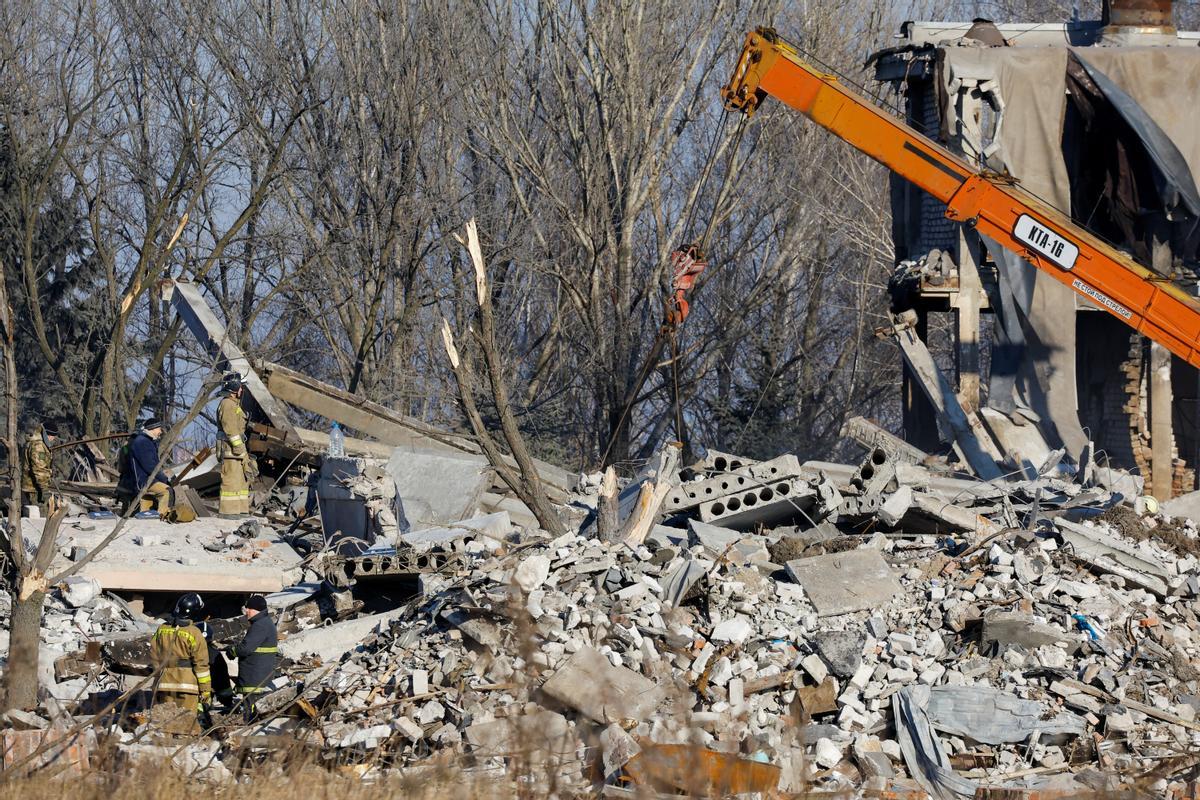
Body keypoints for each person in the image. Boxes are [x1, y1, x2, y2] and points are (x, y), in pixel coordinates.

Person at [151, 593, 211, 720]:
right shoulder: (194, 633)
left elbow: (154, 656)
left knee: (166, 722)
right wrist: (205, 691)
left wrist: (156, 682)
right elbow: (201, 665)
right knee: (186, 722)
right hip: (187, 686)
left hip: (165, 683)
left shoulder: (162, 629)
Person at [233, 594, 278, 719]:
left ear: (256, 609)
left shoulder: (260, 625)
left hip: (254, 677)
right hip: (258, 676)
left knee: (251, 713)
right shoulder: (264, 623)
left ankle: (250, 734)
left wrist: (233, 651)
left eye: (249, 608)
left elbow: (245, 648)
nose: (246, 611)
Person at [217, 373, 253, 518]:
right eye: (241, 387)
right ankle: (228, 511)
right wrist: (239, 449)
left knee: (241, 482)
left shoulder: (234, 405)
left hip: (237, 451)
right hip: (231, 450)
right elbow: (230, 430)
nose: (242, 390)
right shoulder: (227, 404)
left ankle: (241, 510)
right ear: (234, 388)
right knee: (231, 481)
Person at [120, 418, 173, 515]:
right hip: (143, 481)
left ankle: (145, 519)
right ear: (152, 428)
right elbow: (150, 467)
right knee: (167, 491)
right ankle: (163, 516)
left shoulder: (145, 441)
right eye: (159, 429)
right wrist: (164, 479)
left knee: (147, 503)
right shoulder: (143, 442)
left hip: (142, 479)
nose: (161, 431)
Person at [21, 421, 58, 516]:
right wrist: (44, 489)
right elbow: (39, 469)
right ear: (46, 434)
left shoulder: (34, 443)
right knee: (40, 517)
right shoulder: (38, 446)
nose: (53, 439)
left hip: (31, 487)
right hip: (35, 489)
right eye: (51, 436)